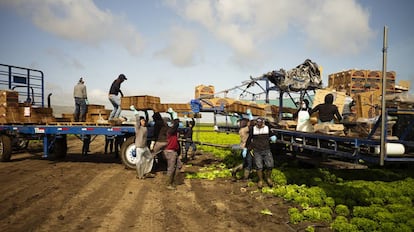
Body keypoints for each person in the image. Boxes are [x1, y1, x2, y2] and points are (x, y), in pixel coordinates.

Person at [246, 117, 276, 189]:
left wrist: (273, 137)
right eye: (258, 123)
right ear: (256, 123)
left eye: (261, 123)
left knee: (270, 165)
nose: (260, 125)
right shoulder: (253, 129)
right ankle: (260, 180)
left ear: (263, 122)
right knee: (259, 166)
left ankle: (268, 178)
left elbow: (272, 134)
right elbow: (249, 139)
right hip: (257, 150)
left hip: (266, 149)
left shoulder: (267, 128)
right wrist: (246, 148)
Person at [164, 111, 182, 190]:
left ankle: (174, 180)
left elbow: (176, 126)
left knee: (179, 165)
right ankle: (168, 184)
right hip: (170, 152)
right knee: (171, 168)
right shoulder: (170, 131)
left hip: (173, 151)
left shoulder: (171, 131)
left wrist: (172, 115)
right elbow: (176, 125)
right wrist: (175, 116)